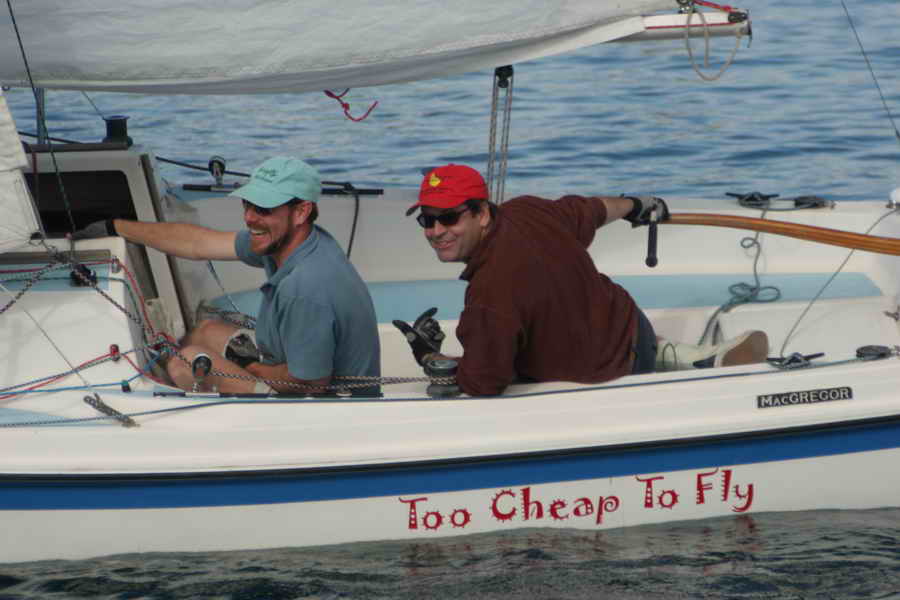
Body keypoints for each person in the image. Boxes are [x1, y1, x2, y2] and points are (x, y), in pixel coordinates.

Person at [394, 163, 768, 396]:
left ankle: (678, 361)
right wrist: (638, 205)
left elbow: (484, 382)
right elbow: (593, 210)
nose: (436, 231)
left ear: (482, 215)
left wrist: (428, 355)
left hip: (602, 377)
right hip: (631, 327)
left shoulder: (490, 293)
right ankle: (681, 358)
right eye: (428, 220)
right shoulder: (527, 210)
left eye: (449, 218)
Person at [73, 156, 381, 395]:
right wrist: (116, 228)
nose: (249, 217)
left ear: (301, 212)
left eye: (263, 208)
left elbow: (309, 384)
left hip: (324, 407)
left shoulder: (305, 286)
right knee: (205, 332)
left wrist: (250, 367)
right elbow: (197, 243)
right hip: (296, 372)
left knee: (185, 361)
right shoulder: (294, 240)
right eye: (248, 204)